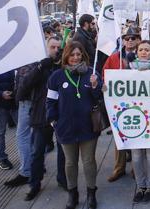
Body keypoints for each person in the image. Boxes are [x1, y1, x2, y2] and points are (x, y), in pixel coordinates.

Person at [47, 41, 103, 209]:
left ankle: (91, 193)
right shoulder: (56, 76)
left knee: (89, 161)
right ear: (66, 56)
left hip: (88, 126)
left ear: (83, 56)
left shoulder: (92, 73)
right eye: (72, 54)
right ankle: (73, 193)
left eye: (78, 54)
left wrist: (95, 85)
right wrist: (53, 121)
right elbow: (50, 101)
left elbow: (98, 98)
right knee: (70, 163)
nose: (75, 57)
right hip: (65, 127)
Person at [19, 36, 65, 200]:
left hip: (60, 115)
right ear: (46, 48)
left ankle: (63, 179)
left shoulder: (62, 65)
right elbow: (24, 87)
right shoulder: (38, 65)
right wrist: (39, 67)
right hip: (41, 114)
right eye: (52, 47)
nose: (55, 50)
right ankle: (35, 183)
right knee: (37, 151)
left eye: (58, 47)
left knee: (63, 151)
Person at [103, 25, 140, 183]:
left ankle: (136, 168)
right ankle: (119, 168)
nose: (130, 41)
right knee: (120, 137)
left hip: (139, 102)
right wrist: (104, 84)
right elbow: (105, 74)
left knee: (138, 135)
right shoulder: (114, 58)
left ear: (138, 40)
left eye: (133, 38)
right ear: (123, 41)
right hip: (119, 104)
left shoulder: (145, 56)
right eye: (127, 38)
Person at [128, 40, 150, 203]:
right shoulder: (127, 69)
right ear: (136, 53)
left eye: (146, 50)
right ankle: (140, 186)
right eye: (140, 50)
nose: (143, 52)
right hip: (135, 115)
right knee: (136, 156)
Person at [3, 62, 38, 188]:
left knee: (23, 136)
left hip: (27, 102)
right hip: (32, 101)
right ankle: (35, 166)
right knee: (33, 136)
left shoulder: (29, 62)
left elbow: (25, 85)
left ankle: (26, 172)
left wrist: (16, 95)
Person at [0, 70, 18, 170]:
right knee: (0, 131)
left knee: (23, 130)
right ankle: (1, 158)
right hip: (0, 103)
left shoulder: (14, 63)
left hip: (15, 101)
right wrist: (1, 94)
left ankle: (27, 155)